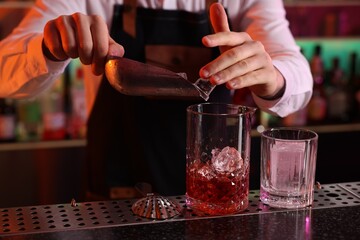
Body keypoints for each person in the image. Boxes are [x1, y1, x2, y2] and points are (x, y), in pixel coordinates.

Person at [0, 0, 312, 199]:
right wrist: (47, 48)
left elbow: (297, 73)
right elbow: (5, 71)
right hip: (119, 195)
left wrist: (273, 77)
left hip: (214, 194)